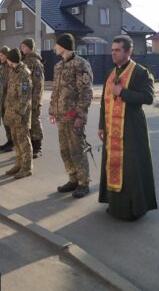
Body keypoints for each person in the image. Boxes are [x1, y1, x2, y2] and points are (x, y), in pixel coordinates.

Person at [98, 35, 157, 220]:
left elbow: (148, 97)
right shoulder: (112, 73)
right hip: (112, 128)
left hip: (132, 128)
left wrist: (122, 93)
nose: (113, 53)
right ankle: (116, 206)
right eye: (112, 50)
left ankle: (133, 209)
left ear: (128, 51)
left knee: (131, 168)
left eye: (117, 50)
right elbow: (103, 102)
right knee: (113, 165)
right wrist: (101, 125)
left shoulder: (140, 72)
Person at [49, 33, 93, 199]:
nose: (54, 47)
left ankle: (83, 182)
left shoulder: (80, 64)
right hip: (61, 116)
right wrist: (53, 110)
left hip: (74, 116)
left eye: (56, 44)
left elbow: (86, 92)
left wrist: (80, 115)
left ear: (64, 45)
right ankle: (73, 178)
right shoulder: (58, 66)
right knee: (65, 150)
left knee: (77, 150)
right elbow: (55, 91)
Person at [3, 48, 33, 179]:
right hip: (12, 113)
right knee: (15, 140)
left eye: (8, 58)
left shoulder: (23, 73)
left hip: (20, 115)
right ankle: (19, 164)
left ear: (11, 59)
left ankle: (26, 168)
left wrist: (18, 113)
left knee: (23, 141)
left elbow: (25, 96)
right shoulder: (13, 71)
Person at [20, 38, 45, 158]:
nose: (22, 48)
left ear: (30, 47)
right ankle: (30, 146)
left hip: (33, 99)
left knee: (35, 122)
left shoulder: (36, 63)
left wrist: (35, 101)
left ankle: (38, 147)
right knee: (27, 123)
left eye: (24, 46)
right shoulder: (23, 61)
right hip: (25, 99)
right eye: (22, 46)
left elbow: (38, 84)